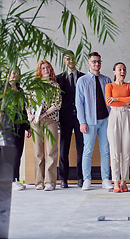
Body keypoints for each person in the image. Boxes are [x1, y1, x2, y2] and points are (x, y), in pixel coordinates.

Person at [75, 52, 113, 191]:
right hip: (89, 121)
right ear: (88, 63)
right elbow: (79, 103)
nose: (96, 64)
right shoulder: (82, 81)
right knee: (88, 151)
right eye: (94, 61)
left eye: (98, 61)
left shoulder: (107, 80)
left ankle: (105, 179)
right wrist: (82, 122)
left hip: (105, 120)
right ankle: (87, 179)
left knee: (105, 150)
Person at [27, 60, 62, 191]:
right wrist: (29, 114)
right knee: (38, 152)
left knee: (51, 151)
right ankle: (38, 182)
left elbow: (57, 104)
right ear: (39, 71)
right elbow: (28, 103)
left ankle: (50, 182)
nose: (46, 70)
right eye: (43, 68)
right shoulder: (34, 85)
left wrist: (44, 114)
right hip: (36, 122)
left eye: (48, 68)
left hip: (50, 121)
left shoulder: (55, 85)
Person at [105, 62, 130, 192]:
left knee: (126, 150)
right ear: (114, 72)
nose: (122, 71)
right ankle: (116, 181)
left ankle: (124, 181)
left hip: (126, 116)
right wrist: (125, 99)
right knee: (114, 150)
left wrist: (117, 98)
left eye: (124, 69)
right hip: (114, 116)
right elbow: (108, 100)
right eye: (119, 69)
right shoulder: (109, 85)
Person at [56, 50, 85, 188]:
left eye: (72, 58)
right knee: (63, 149)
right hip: (65, 118)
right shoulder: (58, 78)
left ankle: (81, 178)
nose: (70, 61)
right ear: (64, 61)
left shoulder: (83, 77)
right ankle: (63, 179)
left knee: (81, 149)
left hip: (80, 118)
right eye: (67, 59)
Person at [8, 69, 32, 190]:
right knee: (14, 152)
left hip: (20, 126)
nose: (15, 75)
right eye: (13, 73)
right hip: (8, 126)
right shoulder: (3, 90)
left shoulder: (21, 91)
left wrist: (27, 126)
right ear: (8, 75)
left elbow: (24, 110)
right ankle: (12, 180)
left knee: (19, 153)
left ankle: (15, 179)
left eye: (18, 73)